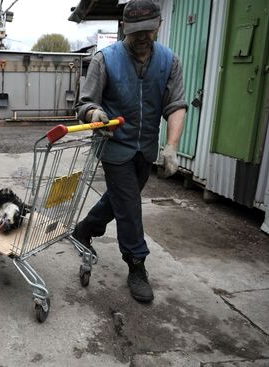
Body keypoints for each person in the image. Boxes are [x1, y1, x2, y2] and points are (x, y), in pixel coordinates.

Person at [73, 0, 187, 303]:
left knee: (120, 199)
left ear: (158, 26)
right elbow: (84, 104)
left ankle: (85, 229)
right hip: (113, 146)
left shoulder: (169, 61)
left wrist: (172, 147)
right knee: (130, 206)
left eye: (147, 31)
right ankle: (136, 264)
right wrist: (94, 114)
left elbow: (176, 106)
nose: (141, 37)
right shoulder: (105, 60)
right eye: (135, 31)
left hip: (145, 148)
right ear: (124, 27)